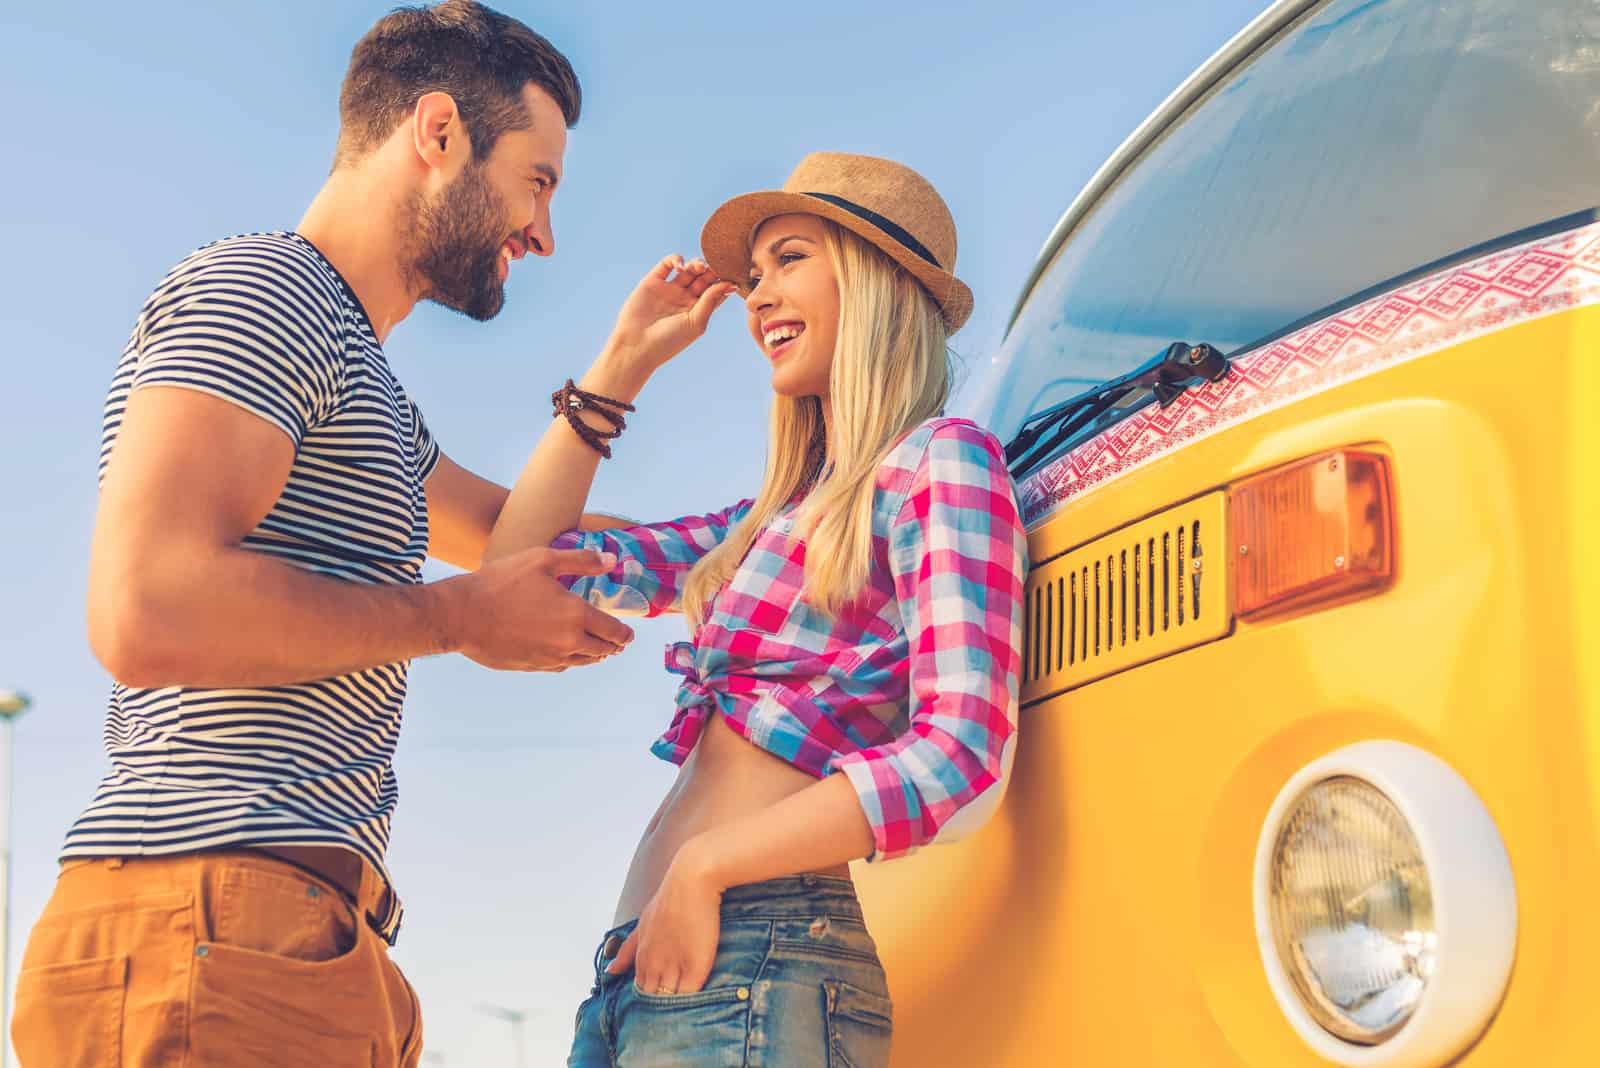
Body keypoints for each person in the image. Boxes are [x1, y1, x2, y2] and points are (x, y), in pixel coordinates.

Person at [9, 4, 712, 1065]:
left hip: (286, 938)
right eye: (539, 180)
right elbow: (145, 605)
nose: (544, 233)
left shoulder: (362, 375)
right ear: (438, 133)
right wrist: (452, 617)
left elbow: (522, 550)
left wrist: (778, 528)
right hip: (207, 919)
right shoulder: (263, 290)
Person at [483, 152, 1029, 1067]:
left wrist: (707, 866)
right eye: (754, 275)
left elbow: (960, 751)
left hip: (760, 961)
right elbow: (518, 576)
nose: (756, 295)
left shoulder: (942, 464)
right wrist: (620, 366)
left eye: (789, 259)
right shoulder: (761, 526)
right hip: (641, 970)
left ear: (874, 280)